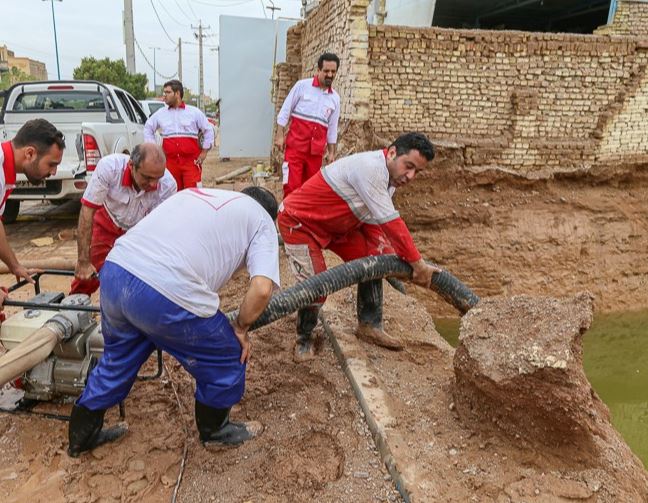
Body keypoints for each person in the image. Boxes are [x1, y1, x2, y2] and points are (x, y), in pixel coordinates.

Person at [67, 186, 280, 457]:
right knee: (227, 354)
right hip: (161, 290)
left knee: (118, 359)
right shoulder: (262, 221)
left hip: (117, 271)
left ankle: (81, 438)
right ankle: (215, 431)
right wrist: (240, 327)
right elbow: (261, 289)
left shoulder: (198, 194)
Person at [277, 132, 441, 361]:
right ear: (392, 153)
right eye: (409, 166)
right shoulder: (370, 169)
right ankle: (303, 338)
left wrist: (384, 257)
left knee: (373, 259)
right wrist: (418, 265)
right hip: (300, 223)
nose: (410, 176)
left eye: (417, 172)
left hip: (338, 226)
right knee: (316, 284)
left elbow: (374, 225)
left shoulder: (389, 180)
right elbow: (392, 224)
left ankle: (369, 325)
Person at [70, 144, 176, 295]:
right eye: (147, 177)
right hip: (107, 221)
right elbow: (87, 211)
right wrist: (83, 261)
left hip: (139, 230)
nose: (153, 184)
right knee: (88, 275)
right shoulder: (109, 168)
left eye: (157, 178)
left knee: (140, 276)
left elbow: (158, 227)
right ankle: (75, 306)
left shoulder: (167, 185)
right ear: (131, 165)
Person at [0, 119, 65, 283]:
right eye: (51, 164)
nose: (53, 172)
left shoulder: (5, 170)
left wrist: (14, 266)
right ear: (29, 153)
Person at [274, 52, 341, 197]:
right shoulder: (302, 86)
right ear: (318, 70)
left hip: (315, 154)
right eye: (326, 71)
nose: (329, 74)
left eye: (333, 71)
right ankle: (288, 219)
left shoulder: (335, 98)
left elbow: (332, 128)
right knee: (291, 188)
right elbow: (285, 110)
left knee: (310, 192)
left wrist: (331, 153)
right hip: (295, 149)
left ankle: (304, 220)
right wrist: (279, 135)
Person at [143, 79, 214, 190]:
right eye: (164, 92)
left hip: (191, 162)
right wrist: (153, 149)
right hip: (170, 163)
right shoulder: (161, 114)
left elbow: (208, 129)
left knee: (194, 194)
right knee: (172, 193)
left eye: (168, 92)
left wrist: (204, 151)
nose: (164, 95)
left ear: (177, 93)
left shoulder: (194, 112)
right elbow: (148, 128)